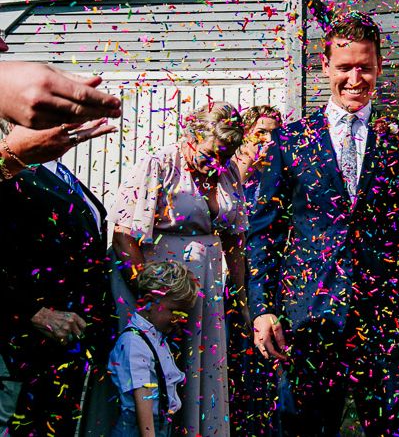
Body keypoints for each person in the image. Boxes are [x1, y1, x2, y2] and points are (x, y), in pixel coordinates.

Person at [247, 12, 399, 437]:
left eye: (365, 66)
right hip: (309, 318)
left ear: (379, 65)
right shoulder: (290, 142)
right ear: (325, 67)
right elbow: (264, 232)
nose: (355, 78)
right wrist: (264, 307)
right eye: (345, 68)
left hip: (388, 320)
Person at [110, 102, 248, 437]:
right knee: (157, 376)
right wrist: (153, 296)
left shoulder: (227, 173)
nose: (217, 164)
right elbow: (123, 236)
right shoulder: (160, 163)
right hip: (163, 293)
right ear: (190, 137)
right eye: (210, 154)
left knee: (201, 376)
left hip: (207, 290)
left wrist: (243, 301)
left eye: (226, 155)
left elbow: (235, 243)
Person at [0, 120, 117, 436]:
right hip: (22, 348)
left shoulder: (58, 174)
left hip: (67, 346)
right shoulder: (10, 175)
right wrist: (34, 313)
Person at [227, 105, 281, 437]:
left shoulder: (277, 181)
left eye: (274, 134)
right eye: (261, 132)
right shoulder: (224, 177)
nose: (268, 140)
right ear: (244, 135)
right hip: (225, 286)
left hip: (264, 287)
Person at [108, 261, 198, 437]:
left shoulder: (155, 337)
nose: (179, 319)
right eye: (174, 312)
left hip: (159, 425)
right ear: (149, 302)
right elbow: (143, 397)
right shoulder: (134, 342)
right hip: (138, 429)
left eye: (183, 314)